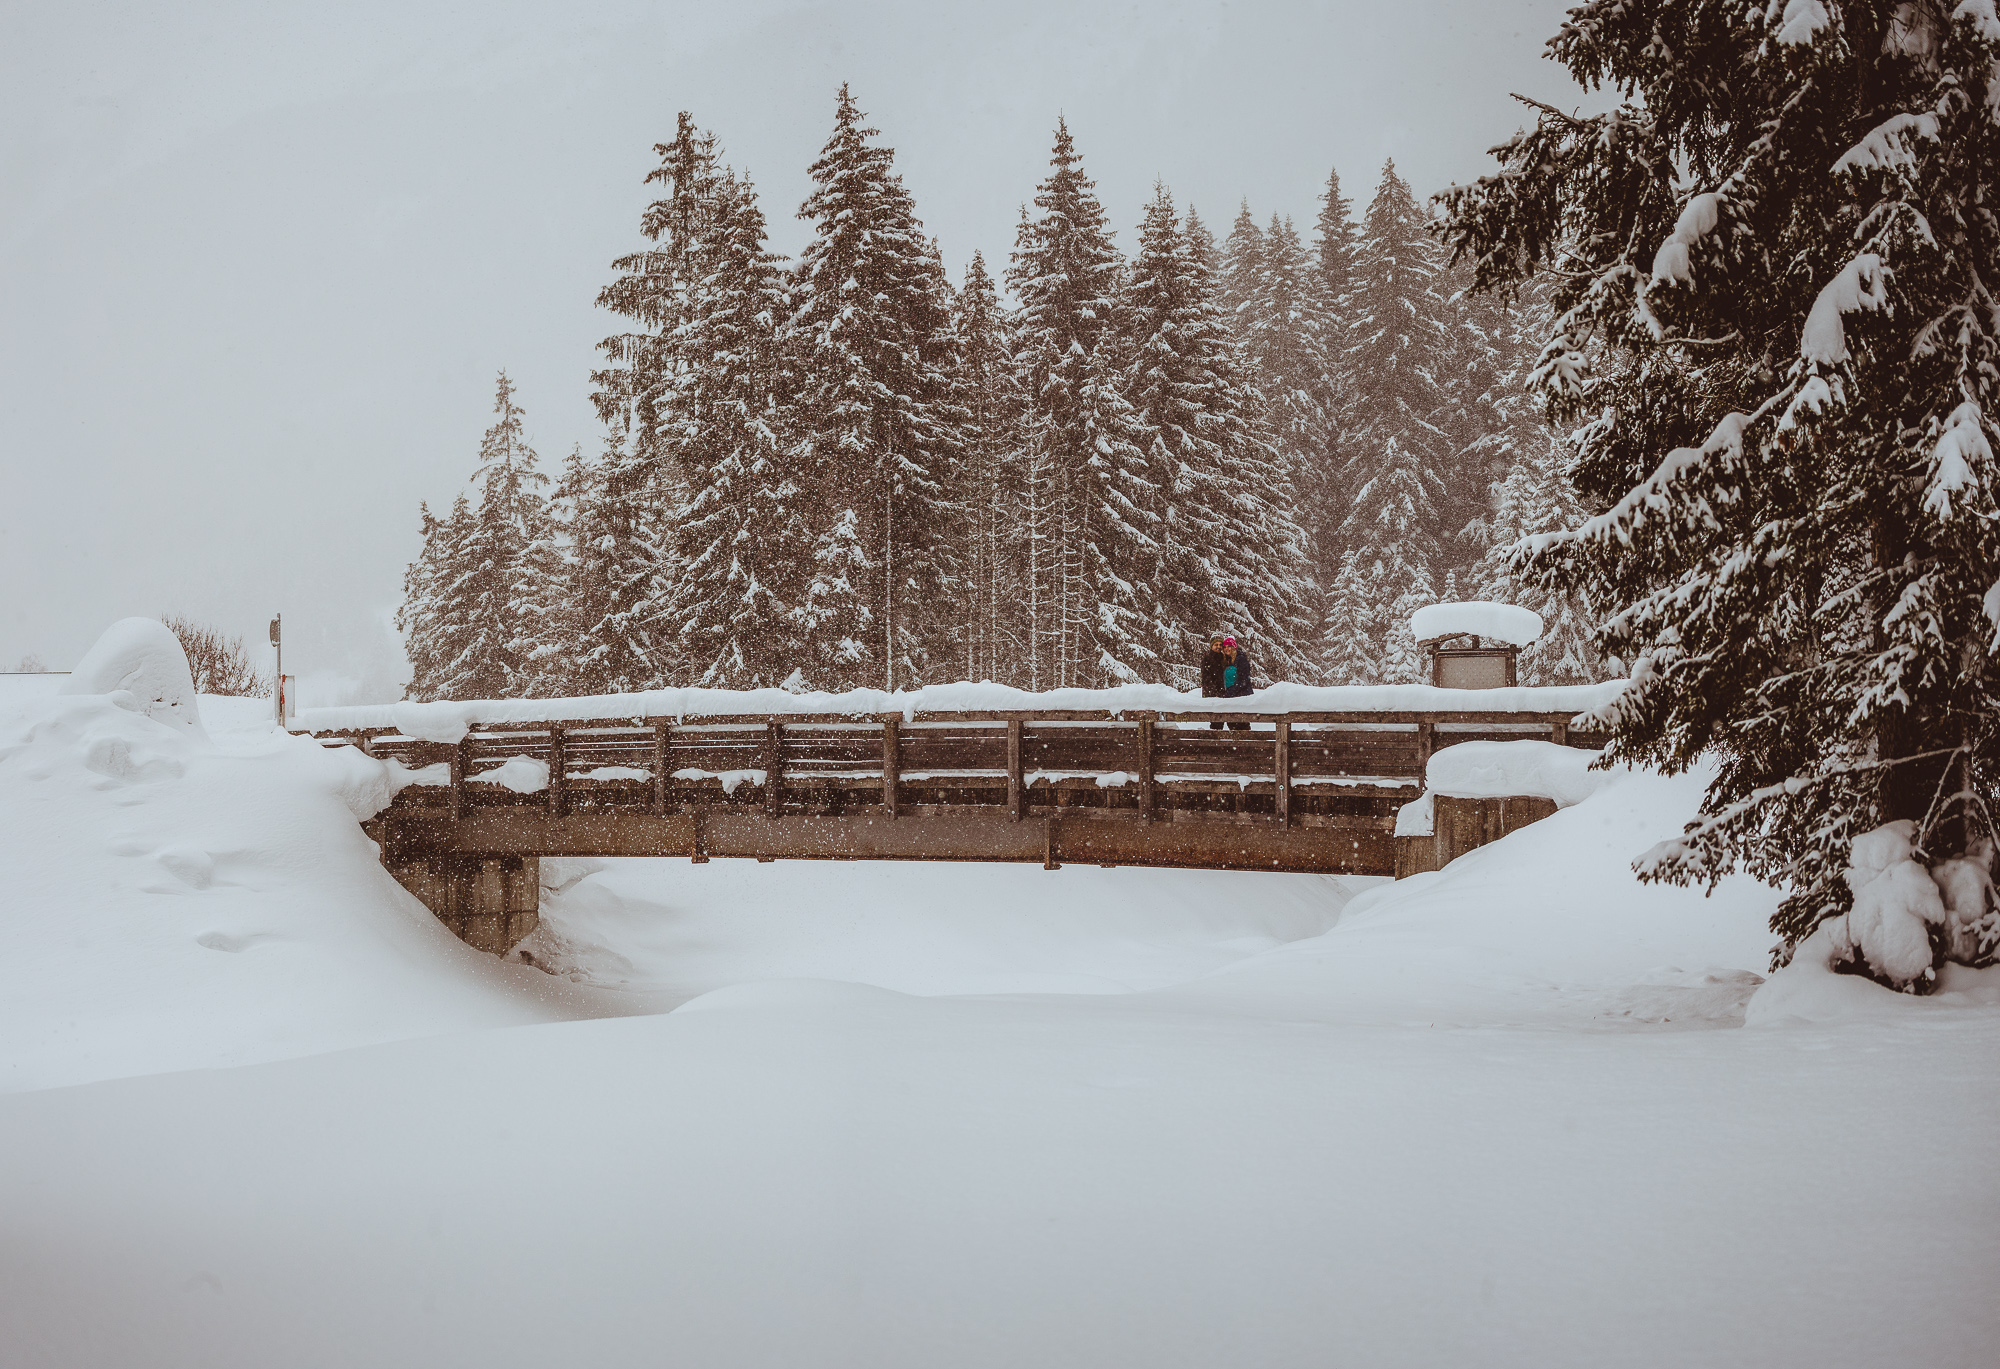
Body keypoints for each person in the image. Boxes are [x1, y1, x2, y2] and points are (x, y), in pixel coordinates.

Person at [1201, 634, 1254, 731]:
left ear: (1234, 647)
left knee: (1240, 724)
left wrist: (1230, 692)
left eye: (1227, 646)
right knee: (1224, 723)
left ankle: (1244, 740)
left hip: (1239, 696)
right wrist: (1215, 693)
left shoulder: (1239, 659)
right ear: (1211, 646)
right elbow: (1207, 680)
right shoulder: (1217, 659)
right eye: (1224, 646)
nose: (1224, 648)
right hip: (1220, 696)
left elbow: (1243, 680)